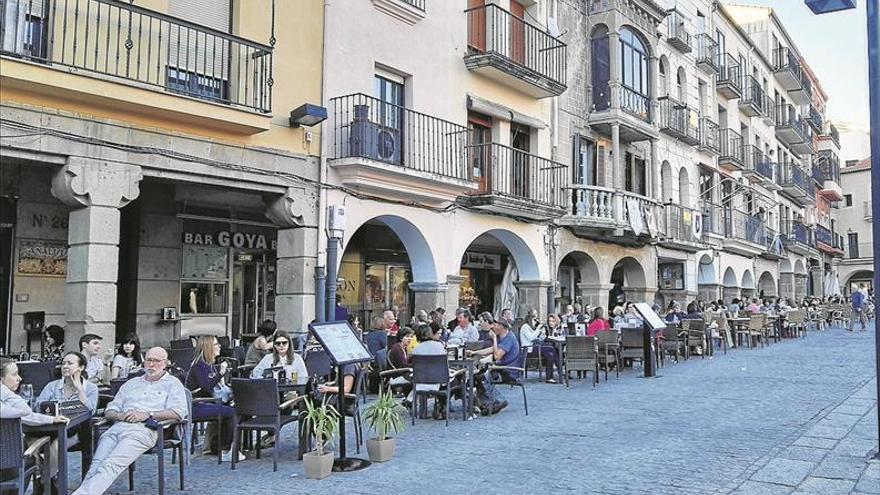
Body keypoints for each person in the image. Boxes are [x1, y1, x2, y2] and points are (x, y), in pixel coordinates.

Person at [73, 347, 187, 495]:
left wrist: (147, 414)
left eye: (156, 361)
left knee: (111, 464)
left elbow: (178, 412)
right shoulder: (131, 383)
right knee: (96, 465)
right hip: (117, 427)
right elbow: (110, 410)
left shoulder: (173, 384)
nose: (151, 364)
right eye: (148, 360)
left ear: (165, 363)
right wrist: (119, 416)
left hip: (145, 430)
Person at [1, 357, 70, 494]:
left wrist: (51, 420)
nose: (19, 378)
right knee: (30, 457)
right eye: (14, 374)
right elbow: (26, 412)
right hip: (9, 465)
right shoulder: (9, 407)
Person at [33, 352, 99, 489]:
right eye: (63, 363)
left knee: (56, 446)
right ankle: (49, 480)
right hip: (49, 429)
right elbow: (38, 405)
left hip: (75, 432)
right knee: (30, 443)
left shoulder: (91, 388)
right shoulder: (52, 386)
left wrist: (80, 390)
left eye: (70, 363)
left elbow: (90, 411)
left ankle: (43, 483)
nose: (65, 366)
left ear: (81, 368)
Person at [186, 336, 241, 462]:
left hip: (204, 402)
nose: (219, 346)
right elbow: (207, 386)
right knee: (232, 412)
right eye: (216, 344)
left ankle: (219, 445)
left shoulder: (207, 364)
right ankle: (226, 449)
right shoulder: (200, 365)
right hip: (196, 405)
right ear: (208, 348)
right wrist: (220, 373)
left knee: (234, 409)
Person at [468, 320, 520, 415]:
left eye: (495, 326)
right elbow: (492, 349)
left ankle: (498, 400)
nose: (493, 328)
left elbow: (496, 356)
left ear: (501, 327)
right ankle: (488, 404)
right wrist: (474, 352)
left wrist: (494, 339)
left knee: (481, 376)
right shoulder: (505, 337)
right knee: (477, 376)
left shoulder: (509, 338)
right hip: (503, 368)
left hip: (509, 371)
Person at [519, 309, 562, 383]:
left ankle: (550, 377)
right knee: (550, 347)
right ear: (530, 319)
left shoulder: (530, 328)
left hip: (534, 347)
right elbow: (531, 338)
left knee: (550, 354)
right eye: (534, 320)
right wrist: (538, 329)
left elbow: (538, 339)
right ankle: (560, 371)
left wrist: (542, 335)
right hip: (528, 349)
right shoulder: (525, 327)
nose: (535, 322)